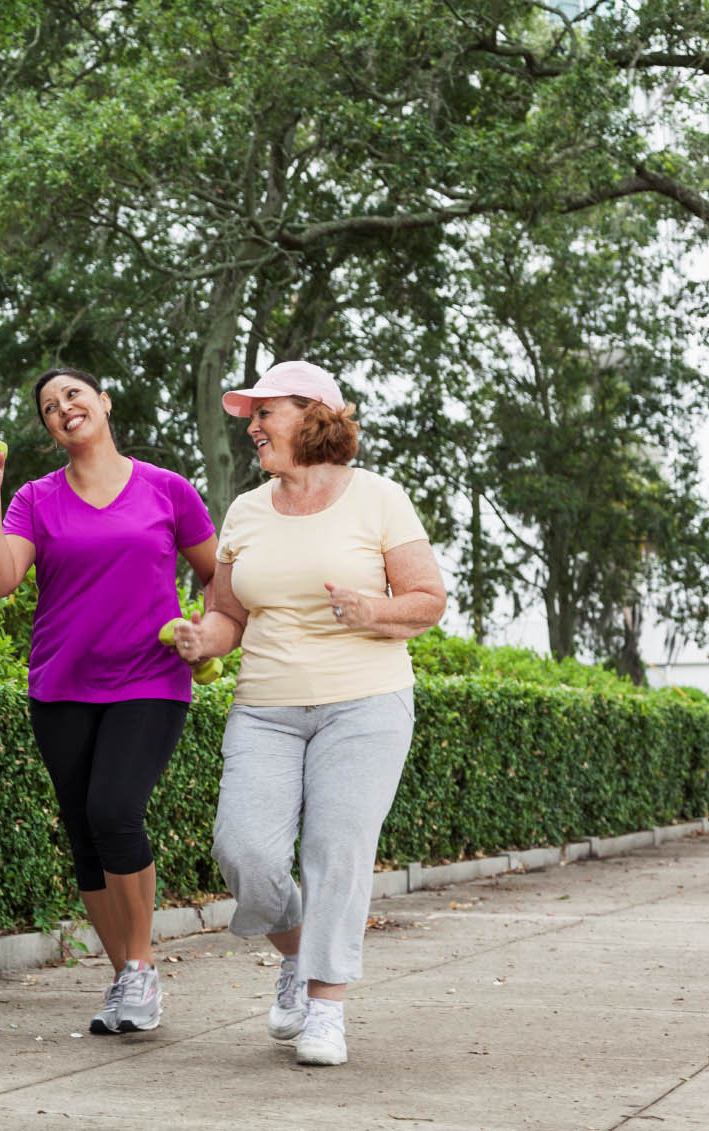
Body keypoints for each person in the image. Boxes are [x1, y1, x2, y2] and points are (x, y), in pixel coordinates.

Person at [172, 359, 446, 1067]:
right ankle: (295, 949)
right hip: (265, 706)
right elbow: (228, 611)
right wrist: (206, 637)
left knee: (336, 851)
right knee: (246, 851)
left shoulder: (378, 498)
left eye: (267, 411)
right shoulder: (245, 509)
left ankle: (325, 1007)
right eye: (251, 415)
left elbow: (427, 599)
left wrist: (374, 609)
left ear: (315, 415)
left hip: (365, 702)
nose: (254, 426)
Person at [0, 366, 217, 1035]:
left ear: (104, 402)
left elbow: (217, 573)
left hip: (150, 676)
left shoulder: (168, 488)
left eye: (74, 394)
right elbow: (0, 582)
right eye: (50, 406)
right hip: (60, 685)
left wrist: (206, 632)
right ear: (48, 429)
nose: (63, 407)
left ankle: (140, 967)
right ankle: (127, 978)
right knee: (84, 834)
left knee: (114, 809)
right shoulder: (35, 499)